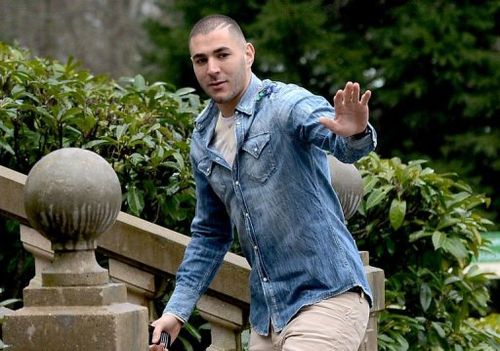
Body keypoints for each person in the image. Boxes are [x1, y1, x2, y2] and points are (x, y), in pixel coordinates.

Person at [150, 14, 377, 351]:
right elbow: (211, 234)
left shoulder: (285, 104)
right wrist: (177, 310)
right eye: (201, 60)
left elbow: (341, 143)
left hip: (328, 298)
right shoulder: (202, 139)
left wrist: (355, 132)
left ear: (248, 54)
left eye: (222, 55)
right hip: (269, 318)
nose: (212, 68)